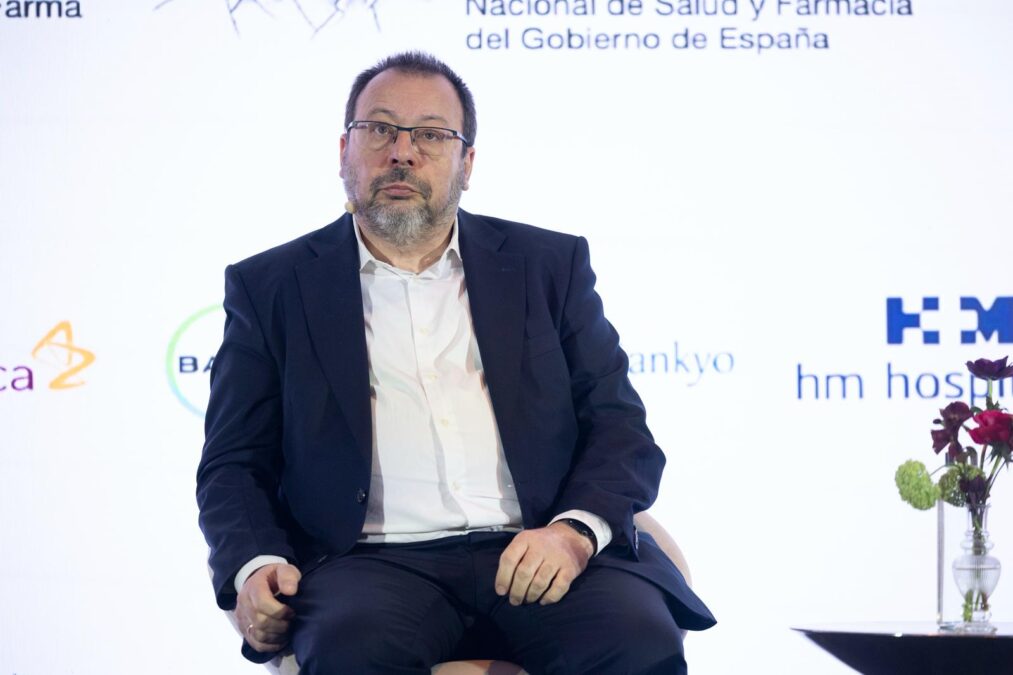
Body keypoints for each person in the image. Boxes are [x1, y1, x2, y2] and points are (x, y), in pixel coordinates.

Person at [197, 51, 715, 675]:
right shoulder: (271, 286)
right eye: (379, 129)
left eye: (432, 135)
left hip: (539, 545)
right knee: (349, 652)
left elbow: (619, 427)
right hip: (371, 564)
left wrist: (573, 534)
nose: (402, 152)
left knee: (635, 640)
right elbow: (233, 462)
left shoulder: (547, 266)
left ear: (467, 164)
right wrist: (254, 564)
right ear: (343, 151)